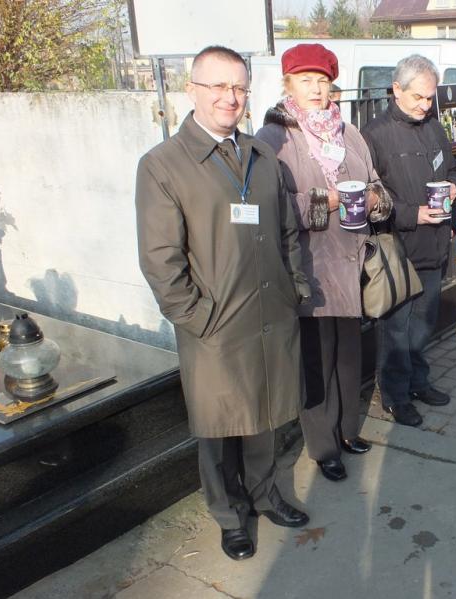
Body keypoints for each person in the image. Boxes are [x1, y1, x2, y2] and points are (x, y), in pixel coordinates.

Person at [135, 46, 310, 562]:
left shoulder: (262, 157)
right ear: (192, 89)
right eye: (217, 86)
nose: (229, 98)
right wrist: (198, 318)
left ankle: (266, 494)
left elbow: (288, 232)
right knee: (217, 428)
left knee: (264, 417)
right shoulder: (164, 165)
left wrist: (295, 288)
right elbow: (160, 259)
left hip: (270, 314)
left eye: (238, 87)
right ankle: (231, 518)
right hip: (213, 325)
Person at [255, 44, 392, 483]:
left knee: (349, 358)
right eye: (305, 80)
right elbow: (272, 206)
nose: (316, 89)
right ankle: (324, 446)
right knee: (317, 361)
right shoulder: (273, 138)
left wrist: (373, 200)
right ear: (288, 84)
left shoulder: (350, 133)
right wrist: (329, 201)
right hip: (309, 268)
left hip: (351, 267)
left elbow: (377, 185)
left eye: (322, 80)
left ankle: (348, 430)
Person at [362, 55, 456, 427]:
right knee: (397, 328)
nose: (425, 105)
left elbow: (455, 169)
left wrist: (455, 188)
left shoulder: (435, 127)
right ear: (396, 89)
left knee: (424, 321)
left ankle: (419, 382)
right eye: (418, 97)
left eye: (429, 98)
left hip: (434, 244)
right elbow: (372, 195)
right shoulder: (374, 134)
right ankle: (395, 395)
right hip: (398, 246)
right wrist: (411, 214)